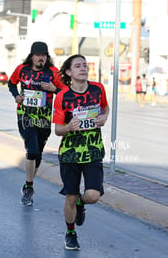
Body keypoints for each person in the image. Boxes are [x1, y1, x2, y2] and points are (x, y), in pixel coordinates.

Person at [53, 54, 110, 251]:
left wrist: (104, 117)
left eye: (85, 65)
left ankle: (81, 202)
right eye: (78, 66)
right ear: (69, 72)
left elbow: (105, 108)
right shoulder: (62, 96)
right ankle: (70, 233)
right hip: (70, 153)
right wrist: (69, 127)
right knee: (69, 196)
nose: (83, 68)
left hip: (93, 150)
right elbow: (58, 130)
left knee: (93, 195)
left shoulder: (97, 89)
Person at [8, 41, 65, 206]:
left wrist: (53, 88)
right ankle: (29, 188)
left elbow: (66, 91)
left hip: (45, 118)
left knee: (37, 154)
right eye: (38, 55)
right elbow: (11, 83)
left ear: (47, 57)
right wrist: (16, 96)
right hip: (25, 115)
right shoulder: (21, 69)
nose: (41, 58)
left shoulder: (54, 72)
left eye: (44, 56)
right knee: (32, 151)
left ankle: (28, 183)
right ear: (32, 56)